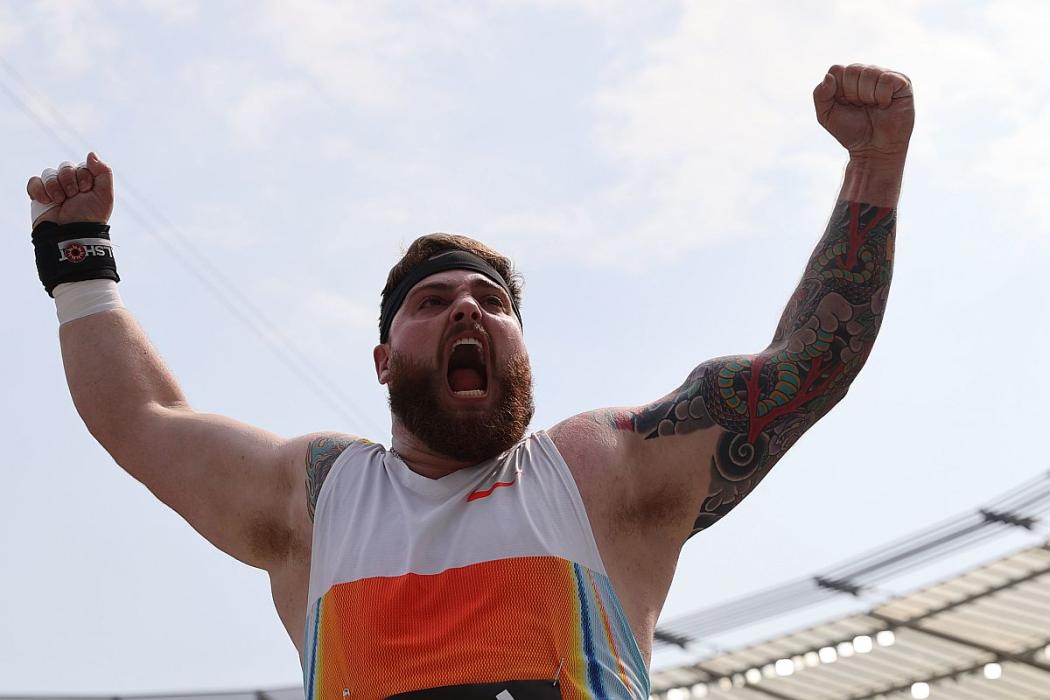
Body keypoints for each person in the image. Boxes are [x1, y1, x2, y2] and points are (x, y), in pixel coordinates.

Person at [26, 63, 912, 699]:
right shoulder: (319, 499)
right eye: (432, 301)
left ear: (522, 351)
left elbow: (808, 364)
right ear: (383, 360)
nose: (466, 309)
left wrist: (873, 168)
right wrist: (79, 258)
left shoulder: (599, 473)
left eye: (492, 301)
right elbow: (142, 417)